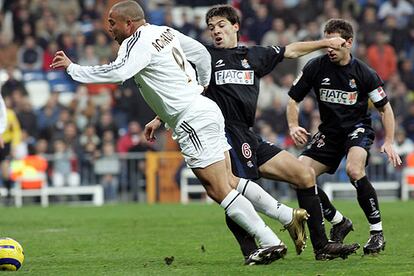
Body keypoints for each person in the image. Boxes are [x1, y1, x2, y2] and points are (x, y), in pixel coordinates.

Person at [51, 0, 286, 265]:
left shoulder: (135, 43)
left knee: (218, 189)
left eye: (112, 22)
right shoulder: (164, 32)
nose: (108, 28)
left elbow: (119, 72)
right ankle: (287, 217)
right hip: (205, 109)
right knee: (229, 181)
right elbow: (200, 52)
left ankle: (269, 241)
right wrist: (202, 85)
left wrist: (74, 68)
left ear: (128, 24)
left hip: (190, 118)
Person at [200, 5, 360, 262]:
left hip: (248, 134)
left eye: (221, 25)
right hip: (223, 132)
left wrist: (324, 43)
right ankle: (252, 250)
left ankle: (322, 247)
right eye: (211, 28)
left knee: (304, 174)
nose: (216, 31)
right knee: (232, 190)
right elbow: (185, 89)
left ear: (235, 26)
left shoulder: (253, 55)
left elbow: (291, 50)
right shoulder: (205, 57)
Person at [286, 18, 402, 255]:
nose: (329, 48)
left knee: (354, 170)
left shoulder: (364, 72)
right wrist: (292, 125)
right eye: (326, 42)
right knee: (298, 174)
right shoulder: (315, 67)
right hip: (329, 132)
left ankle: (376, 233)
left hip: (357, 128)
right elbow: (293, 100)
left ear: (348, 43)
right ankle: (339, 221)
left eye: (334, 43)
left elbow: (385, 108)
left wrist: (388, 141)